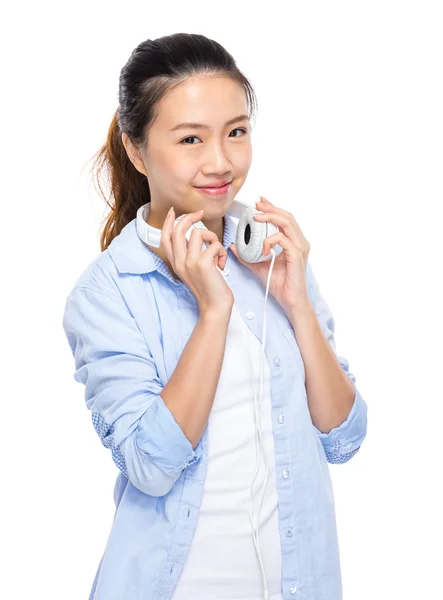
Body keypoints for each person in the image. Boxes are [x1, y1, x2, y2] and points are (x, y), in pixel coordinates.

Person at [62, 32, 368, 600]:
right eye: (190, 139)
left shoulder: (272, 252)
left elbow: (344, 436)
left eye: (236, 132)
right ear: (136, 149)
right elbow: (151, 466)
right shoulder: (109, 292)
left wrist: (296, 302)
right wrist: (213, 312)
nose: (221, 162)